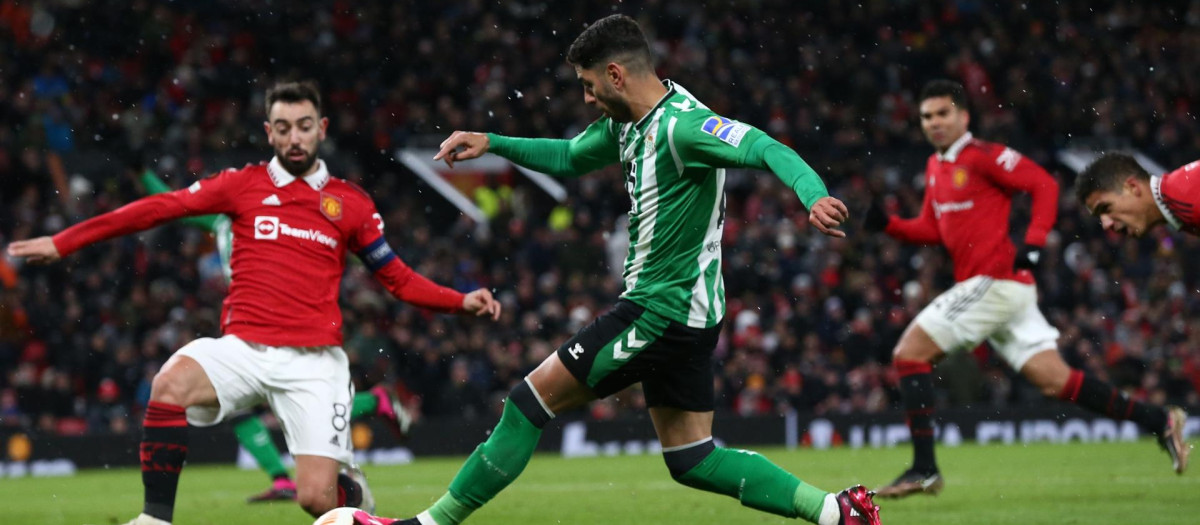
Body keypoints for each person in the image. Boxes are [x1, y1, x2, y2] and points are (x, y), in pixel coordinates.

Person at [349, 14, 880, 525]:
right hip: (691, 314)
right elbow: (569, 158)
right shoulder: (628, 125)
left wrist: (812, 195)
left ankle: (427, 524)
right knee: (693, 459)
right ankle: (838, 511)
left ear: (615, 75)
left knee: (527, 403)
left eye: (586, 84)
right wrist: (493, 142)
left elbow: (762, 145)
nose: (586, 97)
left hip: (659, 311)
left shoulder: (684, 127)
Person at [6, 81, 502, 525]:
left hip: (314, 364)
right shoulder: (241, 185)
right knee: (169, 383)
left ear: (321, 128)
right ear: (269, 131)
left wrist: (461, 301)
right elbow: (161, 208)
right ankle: (154, 519)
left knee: (315, 502)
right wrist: (66, 241)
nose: (294, 138)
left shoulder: (351, 203)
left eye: (304, 126)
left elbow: (396, 278)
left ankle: (348, 497)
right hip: (243, 349)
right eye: (283, 127)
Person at [862, 79, 1189, 499]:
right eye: (927, 116)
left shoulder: (983, 156)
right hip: (998, 292)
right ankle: (1159, 420)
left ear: (964, 116)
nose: (935, 122)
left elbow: (1044, 185)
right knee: (1057, 381)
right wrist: (887, 224)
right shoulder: (934, 167)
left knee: (908, 353)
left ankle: (923, 469)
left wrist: (1033, 244)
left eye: (943, 113)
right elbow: (932, 228)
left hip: (995, 282)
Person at [138, 169, 415, 503]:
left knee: (293, 403)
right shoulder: (221, 222)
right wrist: (142, 173)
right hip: (251, 325)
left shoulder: (273, 213)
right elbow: (175, 202)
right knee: (242, 408)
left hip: (290, 321)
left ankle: (371, 406)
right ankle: (283, 478)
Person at [1074, 153, 1200, 237]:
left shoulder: (1190, 200)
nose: (1106, 224)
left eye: (1105, 208)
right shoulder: (1179, 200)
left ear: (1133, 187)